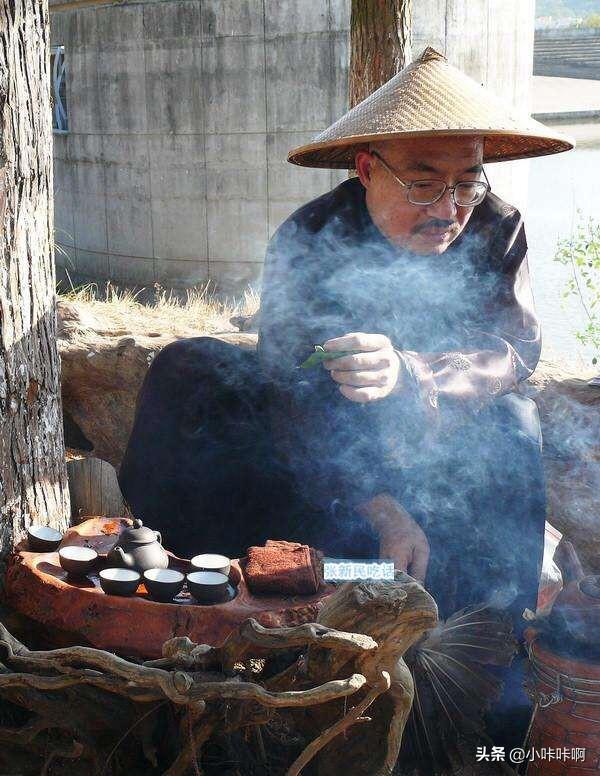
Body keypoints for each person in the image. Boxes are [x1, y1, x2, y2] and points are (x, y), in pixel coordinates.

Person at [119, 46, 572, 749]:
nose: (449, 208)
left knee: (513, 424)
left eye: (466, 183)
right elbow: (286, 393)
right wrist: (380, 505)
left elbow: (513, 349)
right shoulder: (311, 234)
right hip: (329, 469)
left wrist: (414, 374)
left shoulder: (496, 226)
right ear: (367, 169)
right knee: (189, 370)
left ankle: (489, 655)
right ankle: (209, 601)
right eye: (424, 183)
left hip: (445, 443)